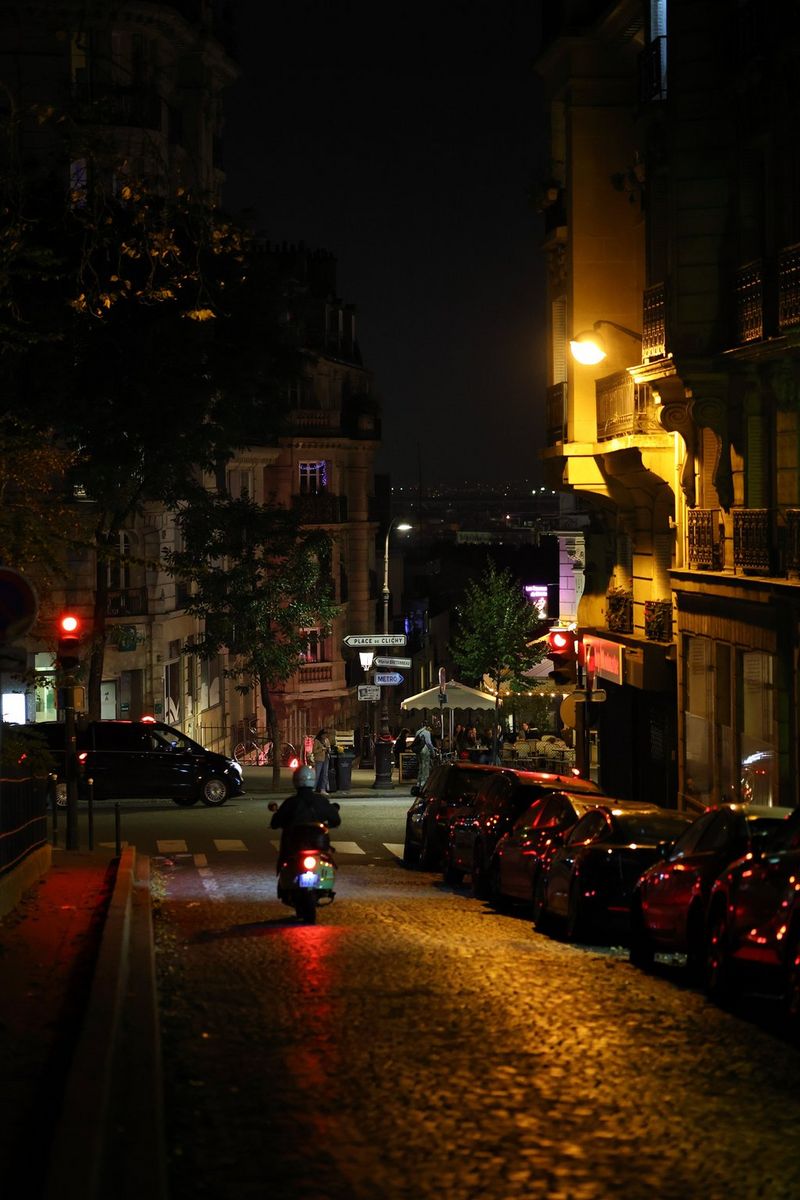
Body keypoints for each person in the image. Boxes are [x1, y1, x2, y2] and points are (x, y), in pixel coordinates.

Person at [270, 764, 341, 871]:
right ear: (312, 780)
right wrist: (326, 825)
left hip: (295, 847)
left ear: (295, 781)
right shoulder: (321, 801)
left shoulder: (291, 802)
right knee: (327, 861)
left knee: (285, 863)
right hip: (317, 846)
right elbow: (336, 820)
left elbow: (275, 823)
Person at [414, 723, 436, 790]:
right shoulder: (426, 732)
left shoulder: (418, 731)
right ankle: (424, 784)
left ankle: (418, 783)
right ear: (428, 727)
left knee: (420, 767)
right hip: (425, 751)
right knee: (425, 767)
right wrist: (433, 752)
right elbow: (429, 743)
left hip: (418, 751)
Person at [311, 727, 331, 793]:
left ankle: (323, 789)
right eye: (324, 734)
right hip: (319, 759)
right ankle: (313, 789)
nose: (325, 736)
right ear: (321, 734)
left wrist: (328, 749)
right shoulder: (317, 741)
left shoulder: (327, 740)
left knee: (325, 774)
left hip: (326, 758)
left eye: (326, 734)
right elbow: (314, 751)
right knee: (317, 774)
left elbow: (329, 747)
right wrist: (321, 749)